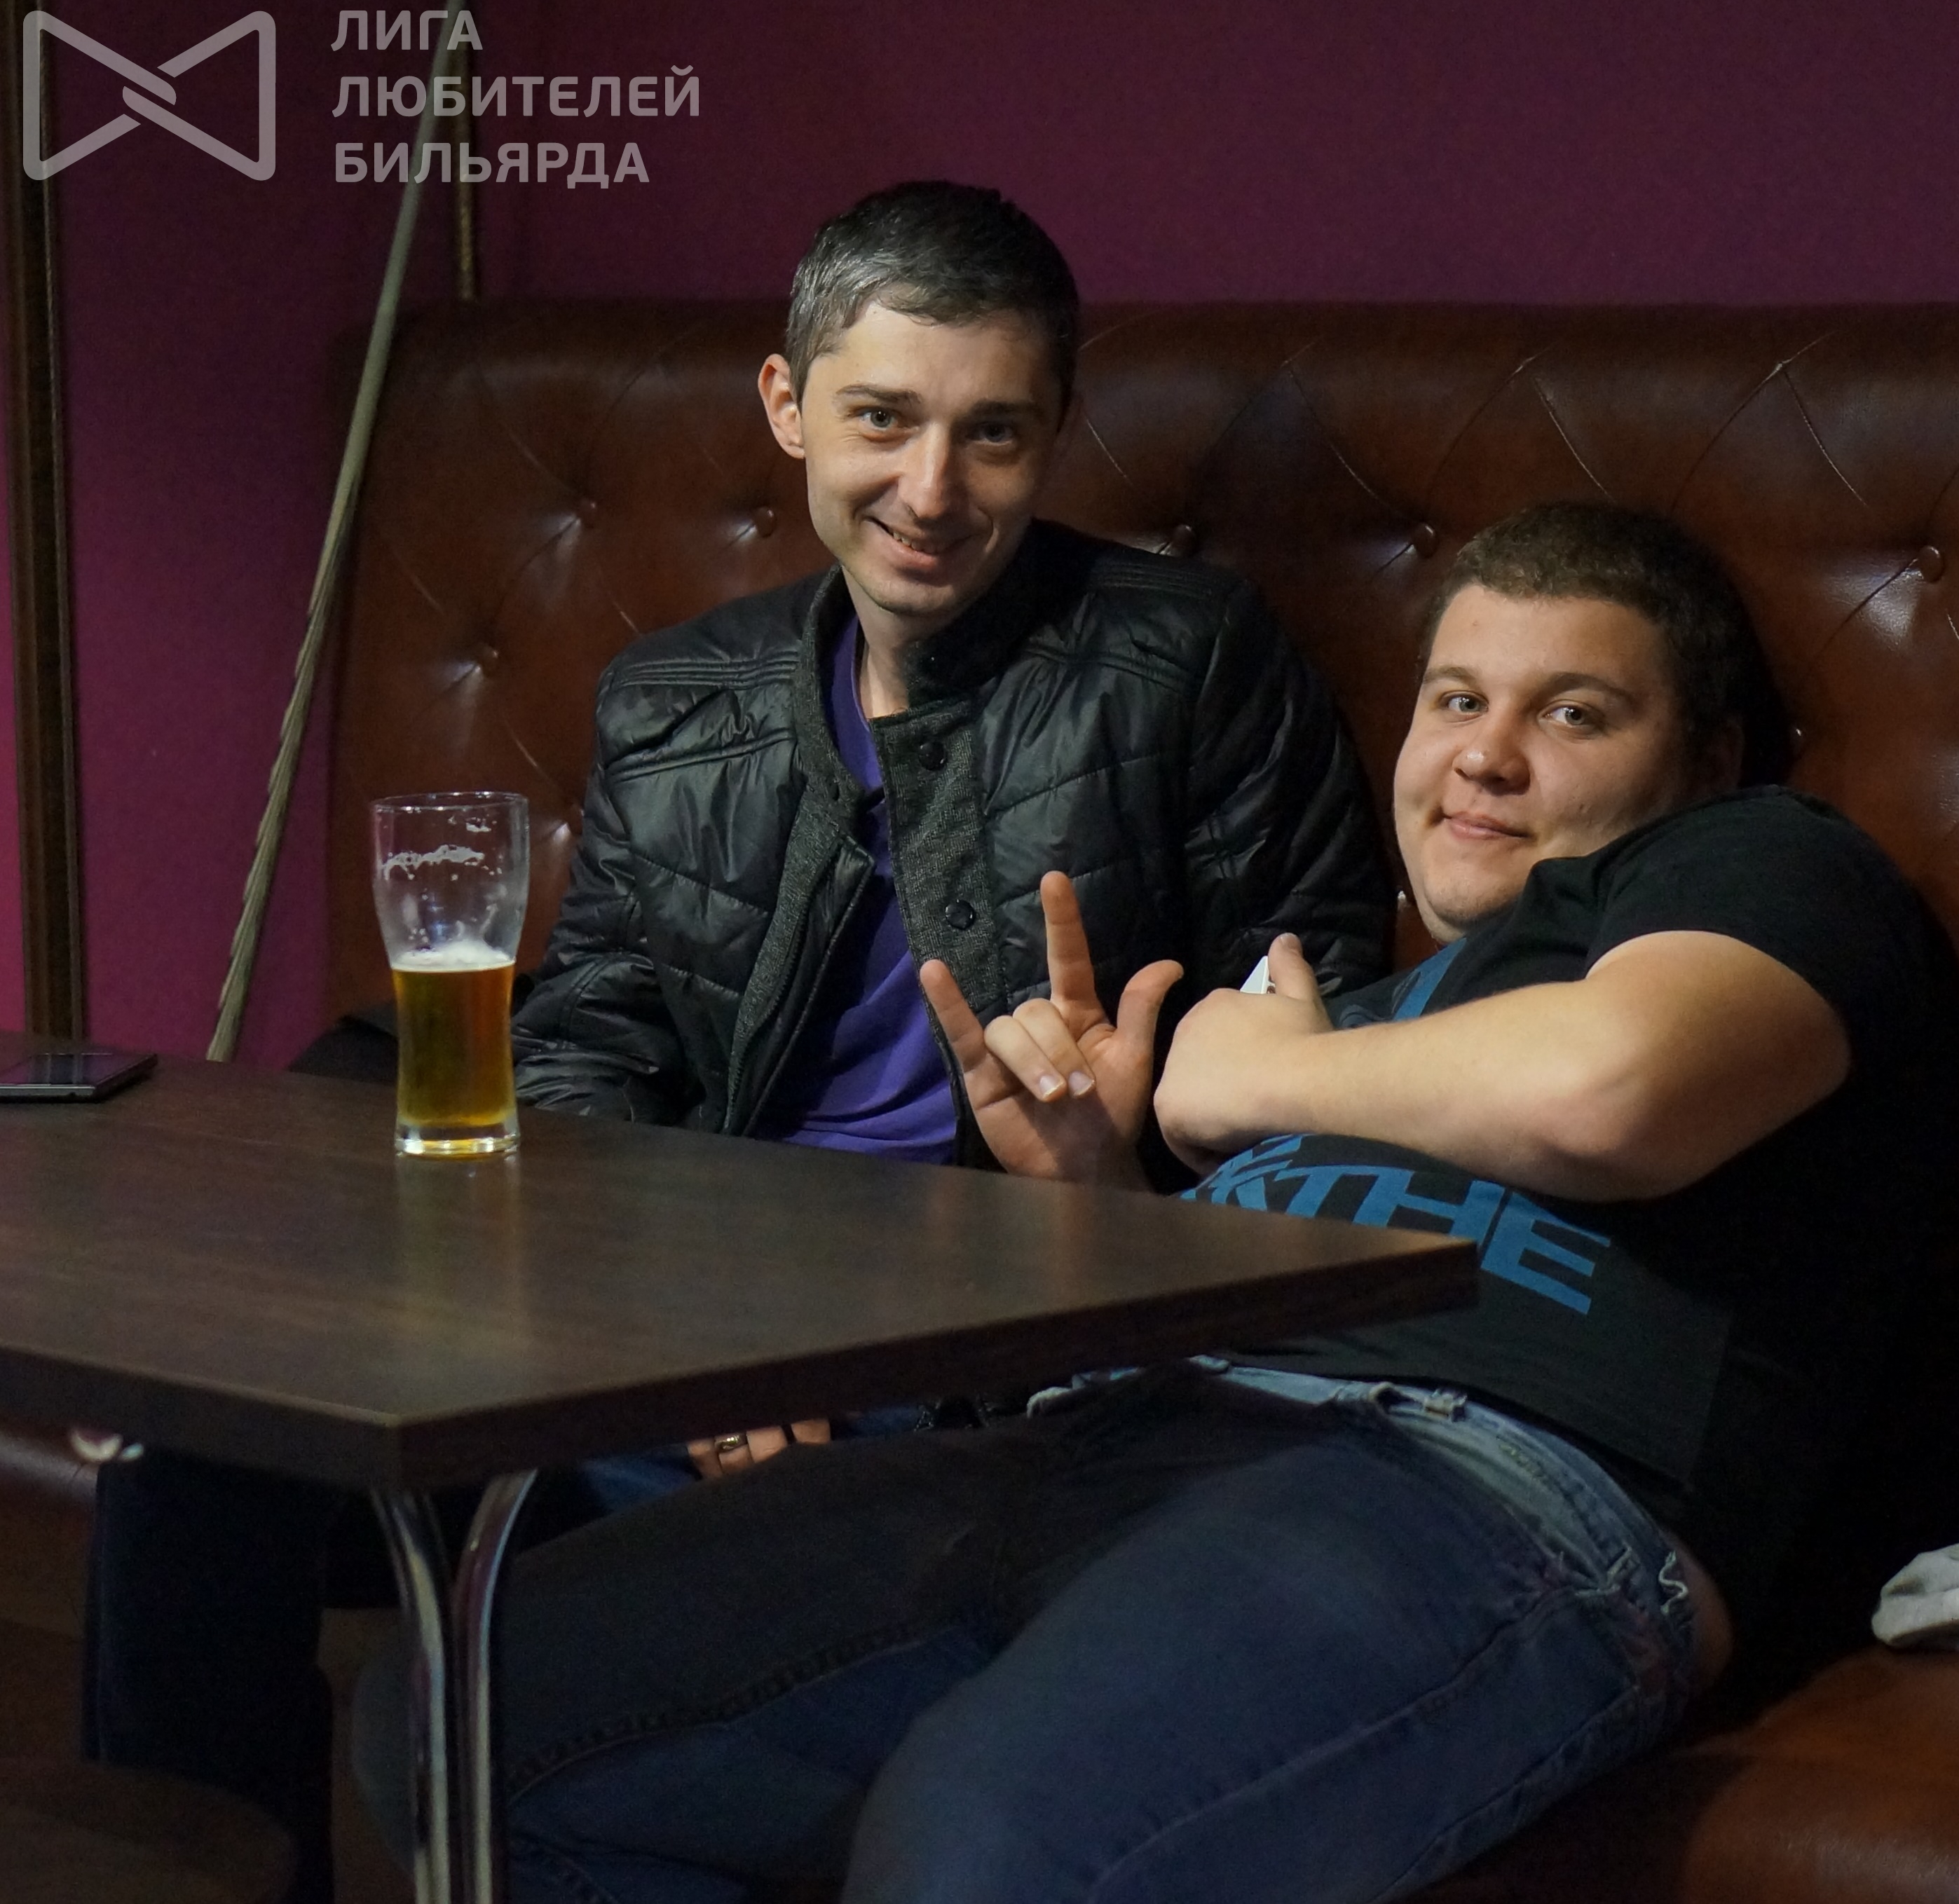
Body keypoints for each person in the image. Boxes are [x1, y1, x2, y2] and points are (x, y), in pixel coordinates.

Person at [83, 179, 1387, 1904]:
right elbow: (590, 1049)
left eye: (992, 433)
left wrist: (1123, 1157)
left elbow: (1324, 1045)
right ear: (787, 405)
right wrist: (683, 1344)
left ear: (1057, 431)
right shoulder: (679, 696)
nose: (932, 490)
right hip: (658, 1352)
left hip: (968, 1383)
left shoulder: (1187, 664)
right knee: (192, 1473)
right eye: (882, 420)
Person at [449, 500, 1959, 1904]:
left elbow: (1618, 1094)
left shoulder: (1765, 867)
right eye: (1455, 699)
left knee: (990, 1840)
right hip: (1121, 1438)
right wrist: (1096, 1184)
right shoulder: (1370, 1022)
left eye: (1573, 712)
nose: (1484, 754)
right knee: (474, 1713)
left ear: (1707, 761)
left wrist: (1250, 1078)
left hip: (1492, 1490)